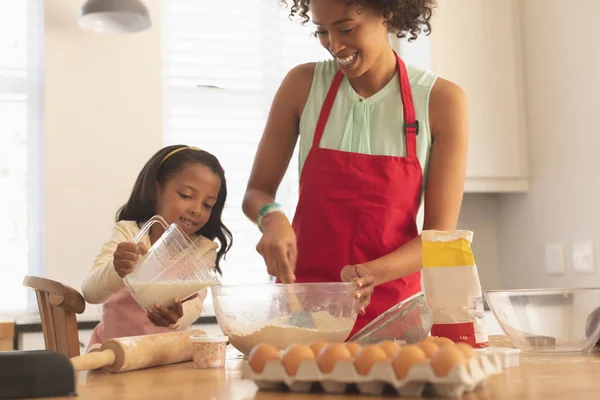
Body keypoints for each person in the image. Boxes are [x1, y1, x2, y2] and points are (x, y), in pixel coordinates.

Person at [243, 0, 468, 338]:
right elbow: (256, 192)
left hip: (392, 317)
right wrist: (271, 217)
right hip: (302, 311)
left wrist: (370, 274)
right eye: (322, 31)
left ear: (387, 13)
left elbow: (438, 238)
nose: (334, 45)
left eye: (346, 29)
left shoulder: (441, 101)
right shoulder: (302, 86)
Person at [82, 145, 232, 350]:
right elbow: (90, 293)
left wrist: (175, 318)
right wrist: (116, 268)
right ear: (157, 189)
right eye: (187, 195)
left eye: (207, 204)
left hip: (165, 358)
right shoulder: (129, 233)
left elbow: (195, 304)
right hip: (113, 355)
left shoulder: (202, 249)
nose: (197, 210)